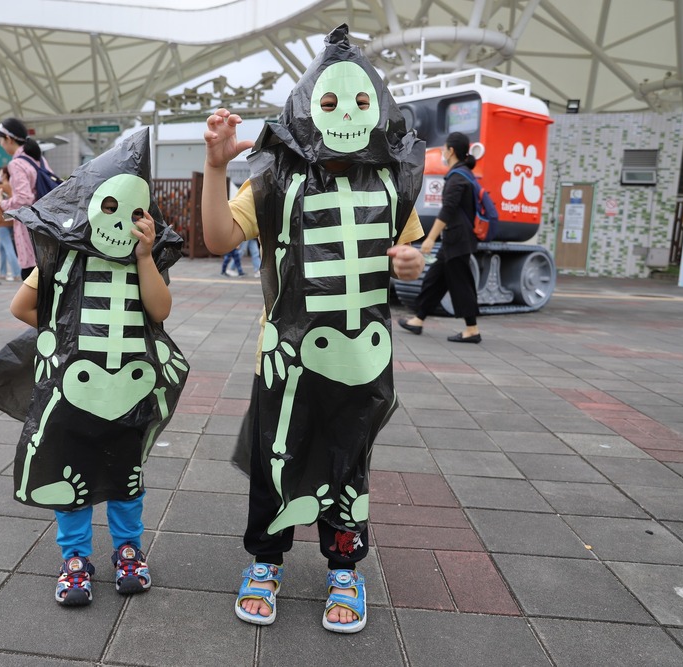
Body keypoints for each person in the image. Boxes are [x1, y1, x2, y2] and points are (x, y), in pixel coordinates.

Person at [201, 25, 426, 634]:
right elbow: (219, 238)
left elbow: (409, 253)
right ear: (304, 111)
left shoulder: (389, 183)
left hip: (361, 359)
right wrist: (215, 166)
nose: (342, 114)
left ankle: (345, 567)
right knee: (278, 460)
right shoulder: (275, 180)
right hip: (285, 359)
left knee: (349, 461)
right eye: (326, 103)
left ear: (375, 110)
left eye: (354, 103)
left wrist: (410, 262)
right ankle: (265, 562)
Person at [0, 129, 187, 608]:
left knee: (126, 477)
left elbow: (160, 312)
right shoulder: (65, 257)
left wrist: (145, 257)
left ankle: (128, 550)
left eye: (136, 213)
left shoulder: (146, 260)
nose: (122, 221)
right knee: (70, 475)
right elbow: (23, 306)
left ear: (147, 218)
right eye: (109, 208)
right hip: (74, 390)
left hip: (129, 392)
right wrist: (63, 334)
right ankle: (76, 558)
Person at [397, 131, 482, 344]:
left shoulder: (457, 177)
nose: (443, 152)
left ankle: (472, 329)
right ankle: (418, 319)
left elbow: (448, 211)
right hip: (455, 240)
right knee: (434, 280)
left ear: (451, 151)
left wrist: (430, 238)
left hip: (457, 239)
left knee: (461, 284)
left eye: (445, 148)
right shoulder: (465, 174)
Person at [0, 117, 45, 279]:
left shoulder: (16, 164)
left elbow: (24, 199)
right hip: (44, 229)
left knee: (30, 288)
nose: (1, 145)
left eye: (1, 140)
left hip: (28, 232)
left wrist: (2, 202)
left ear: (8, 139)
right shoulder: (38, 160)